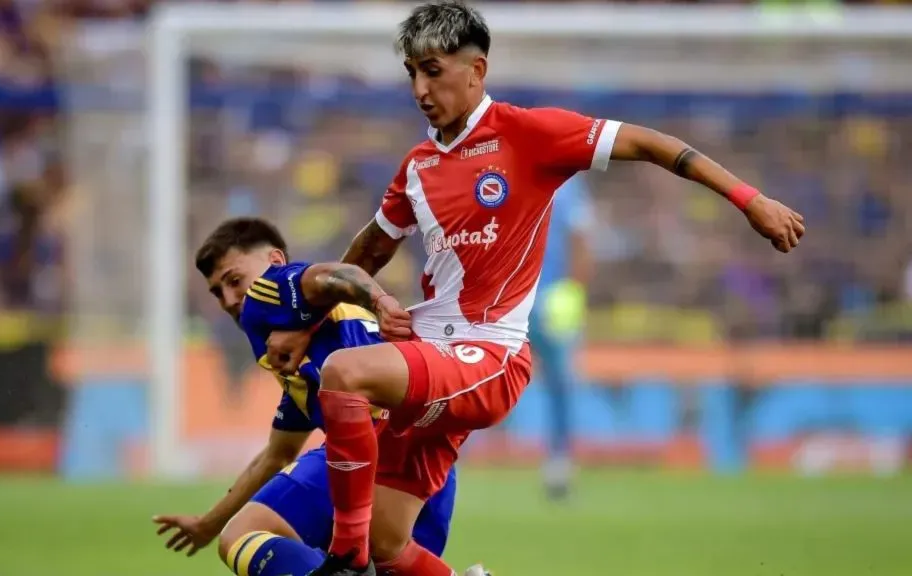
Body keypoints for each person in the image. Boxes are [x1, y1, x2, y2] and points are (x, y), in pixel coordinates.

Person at [265, 2, 805, 575]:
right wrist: (308, 322)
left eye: (434, 70)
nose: (421, 88)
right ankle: (375, 554)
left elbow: (649, 144)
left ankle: (343, 562)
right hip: (433, 350)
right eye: (412, 74)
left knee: (346, 375)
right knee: (390, 542)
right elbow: (371, 250)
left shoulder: (528, 134)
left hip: (489, 353)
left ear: (477, 71)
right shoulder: (418, 167)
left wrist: (752, 201)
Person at [151, 218, 473, 576]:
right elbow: (277, 455)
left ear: (274, 261)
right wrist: (207, 524)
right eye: (217, 292)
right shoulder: (310, 364)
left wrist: (381, 300)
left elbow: (336, 274)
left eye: (233, 280)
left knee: (244, 535)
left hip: (371, 446)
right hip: (429, 465)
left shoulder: (274, 287)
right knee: (383, 557)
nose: (229, 300)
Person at [531, 175, 593, 500]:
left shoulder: (569, 187)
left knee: (561, 383)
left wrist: (574, 293)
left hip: (552, 299)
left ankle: (560, 461)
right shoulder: (520, 176)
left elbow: (580, 242)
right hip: (513, 297)